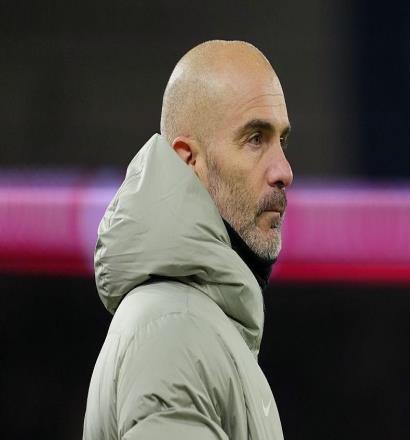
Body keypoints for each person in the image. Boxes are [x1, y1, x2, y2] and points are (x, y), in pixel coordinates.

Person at [83, 40, 293, 440]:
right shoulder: (174, 332)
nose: (284, 170)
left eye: (281, 141)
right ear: (188, 161)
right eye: (255, 138)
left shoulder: (191, 323)